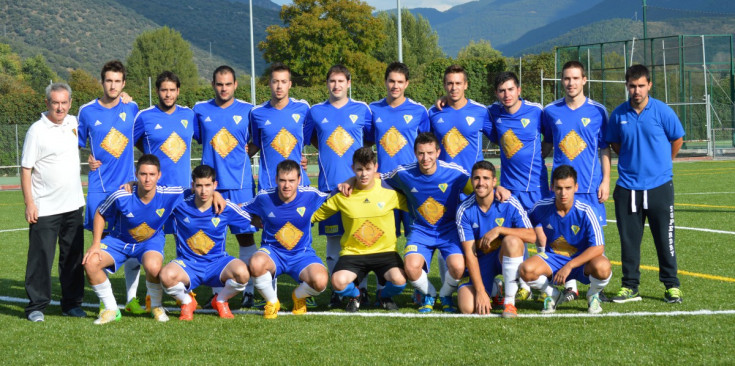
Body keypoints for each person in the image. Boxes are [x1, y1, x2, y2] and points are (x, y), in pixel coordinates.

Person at [342, 132, 473, 313]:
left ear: (438, 152)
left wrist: (499, 191)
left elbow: (480, 188)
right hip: (420, 230)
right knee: (411, 269)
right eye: (420, 153)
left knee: (458, 267)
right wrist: (350, 180)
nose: (425, 158)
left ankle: (445, 294)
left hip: (448, 230)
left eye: (429, 153)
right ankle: (430, 293)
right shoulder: (404, 173)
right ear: (415, 153)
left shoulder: (455, 173)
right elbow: (375, 175)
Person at [606, 64, 685, 304]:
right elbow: (615, 145)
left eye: (641, 85)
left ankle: (672, 286)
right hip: (628, 188)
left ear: (649, 85)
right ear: (627, 86)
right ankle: (630, 286)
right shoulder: (618, 115)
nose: (637, 90)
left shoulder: (663, 111)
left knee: (664, 238)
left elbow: (677, 139)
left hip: (659, 187)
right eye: (632, 86)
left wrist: (662, 164)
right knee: (629, 241)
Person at [77, 60, 145, 314]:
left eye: (118, 81)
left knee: (131, 240)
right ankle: (105, 297)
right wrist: (87, 160)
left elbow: (141, 138)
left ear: (124, 83)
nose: (113, 85)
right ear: (102, 82)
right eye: (109, 80)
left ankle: (131, 300)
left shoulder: (132, 107)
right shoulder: (86, 111)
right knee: (100, 244)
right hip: (99, 186)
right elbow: (75, 143)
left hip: (127, 187)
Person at [83, 154, 184, 324]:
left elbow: (198, 191)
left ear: (159, 175)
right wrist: (95, 244)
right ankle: (111, 309)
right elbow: (100, 213)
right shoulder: (121, 195)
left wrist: (216, 196)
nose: (147, 179)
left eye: (152, 174)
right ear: (136, 175)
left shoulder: (169, 193)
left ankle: (156, 306)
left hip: (149, 241)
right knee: (90, 263)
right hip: (120, 241)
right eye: (143, 174)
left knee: (153, 267)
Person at [541, 61, 611, 302]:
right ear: (562, 81)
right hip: (562, 189)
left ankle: (594, 290)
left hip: (590, 190)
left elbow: (604, 149)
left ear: (584, 80)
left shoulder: (598, 111)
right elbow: (545, 144)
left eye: (575, 78)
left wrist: (606, 181)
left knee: (594, 241)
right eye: (566, 79)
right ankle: (568, 284)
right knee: (560, 238)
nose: (571, 83)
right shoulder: (550, 111)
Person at [304, 64, 371, 307]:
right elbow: (311, 138)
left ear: (349, 83)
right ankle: (336, 290)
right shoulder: (315, 111)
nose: (337, 85)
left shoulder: (362, 109)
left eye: (341, 81)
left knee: (358, 240)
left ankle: (360, 290)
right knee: (333, 243)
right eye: (332, 81)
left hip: (359, 187)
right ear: (327, 84)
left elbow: (369, 139)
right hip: (328, 188)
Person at [312, 147, 409, 312]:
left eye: (368, 169)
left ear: (375, 168)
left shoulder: (389, 192)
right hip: (353, 253)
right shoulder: (343, 195)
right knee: (337, 282)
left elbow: (416, 206)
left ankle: (383, 296)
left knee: (400, 280)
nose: (364, 174)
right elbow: (313, 215)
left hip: (385, 252)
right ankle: (356, 294)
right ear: (353, 169)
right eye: (359, 169)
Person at [193, 65, 258, 308]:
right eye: (219, 84)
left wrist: (247, 153)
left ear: (235, 85)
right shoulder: (200, 110)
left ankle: (249, 292)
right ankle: (217, 293)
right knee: (210, 240)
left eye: (228, 84)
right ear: (213, 85)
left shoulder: (249, 111)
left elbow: (258, 142)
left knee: (245, 238)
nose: (223, 88)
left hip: (241, 186)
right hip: (210, 188)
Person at [21, 82, 86, 322]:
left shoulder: (73, 122)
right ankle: (36, 306)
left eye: (64, 103)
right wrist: (29, 203)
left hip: (73, 205)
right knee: (41, 258)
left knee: (72, 258)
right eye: (55, 103)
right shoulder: (36, 131)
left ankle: (71, 304)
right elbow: (26, 169)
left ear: (70, 103)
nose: (60, 108)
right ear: (47, 103)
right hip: (45, 208)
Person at [486, 71, 549, 301]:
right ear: (496, 94)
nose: (507, 94)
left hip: (537, 189)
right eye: (502, 91)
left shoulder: (536, 111)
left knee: (542, 237)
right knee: (514, 238)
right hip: (509, 190)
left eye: (511, 89)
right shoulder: (493, 113)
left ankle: (544, 283)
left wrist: (543, 156)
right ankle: (521, 284)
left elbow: (550, 137)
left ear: (519, 90)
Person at [160, 165, 252, 320]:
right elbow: (153, 192)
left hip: (218, 262)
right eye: (199, 186)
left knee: (242, 273)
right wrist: (134, 184)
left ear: (215, 185)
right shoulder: (179, 204)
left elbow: (251, 216)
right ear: (192, 186)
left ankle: (220, 300)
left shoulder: (225, 207)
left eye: (208, 186)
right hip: (188, 263)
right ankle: (188, 301)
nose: (204, 191)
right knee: (166, 276)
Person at [242, 160, 329, 319]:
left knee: (321, 281)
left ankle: (299, 295)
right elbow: (241, 209)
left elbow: (335, 196)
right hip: (272, 252)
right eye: (282, 180)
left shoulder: (311, 195)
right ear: (276, 179)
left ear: (299, 180)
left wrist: (349, 183)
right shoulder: (264, 197)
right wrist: (254, 220)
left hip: (302, 254)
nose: (286, 185)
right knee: (255, 263)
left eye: (291, 181)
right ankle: (272, 301)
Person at [519, 165, 611, 314]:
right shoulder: (542, 207)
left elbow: (598, 247)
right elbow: (522, 221)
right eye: (559, 188)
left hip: (582, 260)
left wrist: (569, 266)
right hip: (554, 258)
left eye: (568, 188)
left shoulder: (587, 210)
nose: (563, 193)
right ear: (552, 188)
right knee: (525, 270)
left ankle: (593, 294)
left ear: (576, 187)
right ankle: (553, 295)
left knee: (603, 267)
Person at [456, 161, 535, 317]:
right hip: (482, 259)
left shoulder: (509, 202)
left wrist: (499, 230)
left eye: (486, 178)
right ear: (471, 181)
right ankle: (493, 289)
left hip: (505, 255)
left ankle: (509, 303)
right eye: (477, 178)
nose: (481, 183)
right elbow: (470, 253)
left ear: (494, 181)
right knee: (467, 307)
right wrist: (479, 291)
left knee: (512, 240)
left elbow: (532, 236)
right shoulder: (464, 209)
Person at [249, 63, 311, 191]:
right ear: (269, 83)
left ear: (290, 84)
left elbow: (309, 138)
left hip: (298, 185)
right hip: (268, 185)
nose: (279, 86)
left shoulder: (303, 108)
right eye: (275, 81)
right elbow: (256, 143)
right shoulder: (257, 113)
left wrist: (302, 157)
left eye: (283, 81)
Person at [134, 71, 197, 187]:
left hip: (184, 188)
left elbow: (208, 136)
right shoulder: (144, 116)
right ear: (157, 91)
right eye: (164, 90)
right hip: (155, 189)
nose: (168, 95)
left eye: (172, 90)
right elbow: (126, 145)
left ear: (178, 91)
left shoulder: (189, 114)